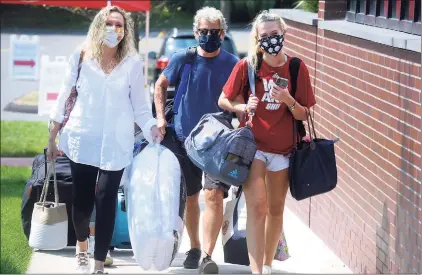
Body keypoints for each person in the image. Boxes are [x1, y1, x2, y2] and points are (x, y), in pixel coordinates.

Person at [47, 5, 161, 274]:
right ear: (99, 25)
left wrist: (152, 127)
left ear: (126, 30)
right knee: (83, 202)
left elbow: (141, 107)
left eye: (120, 25)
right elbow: (65, 94)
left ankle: (99, 264)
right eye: (109, 23)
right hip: (82, 137)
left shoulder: (132, 62)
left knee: (106, 197)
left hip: (116, 142)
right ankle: (82, 244)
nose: (114, 29)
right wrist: (53, 135)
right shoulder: (82, 55)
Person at [218, 10, 316, 274]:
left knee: (275, 210)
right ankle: (256, 270)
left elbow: (304, 113)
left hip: (284, 151)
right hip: (254, 148)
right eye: (265, 36)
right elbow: (223, 99)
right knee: (258, 208)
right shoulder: (248, 65)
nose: (271, 39)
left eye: (275, 34)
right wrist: (241, 106)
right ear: (257, 39)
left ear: (283, 34)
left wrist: (287, 99)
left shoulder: (296, 67)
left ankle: (268, 263)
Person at [154, 6, 238, 274]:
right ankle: (194, 246)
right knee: (191, 197)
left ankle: (207, 255)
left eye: (214, 32)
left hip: (218, 140)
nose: (209, 36)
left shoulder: (233, 63)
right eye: (203, 31)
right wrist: (160, 118)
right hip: (183, 138)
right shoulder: (183, 58)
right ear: (195, 32)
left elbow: (240, 97)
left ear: (222, 34)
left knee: (213, 196)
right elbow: (160, 84)